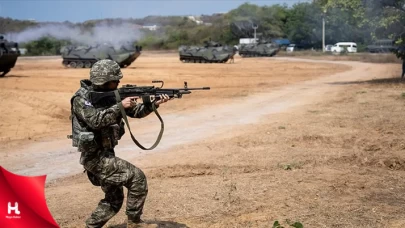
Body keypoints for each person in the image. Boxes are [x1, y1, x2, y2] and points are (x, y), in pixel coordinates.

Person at [69, 59, 171, 228]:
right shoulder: (81, 98)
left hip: (106, 154)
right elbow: (95, 120)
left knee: (114, 199)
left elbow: (136, 112)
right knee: (137, 178)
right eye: (115, 81)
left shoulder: (113, 95)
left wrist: (153, 104)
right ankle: (135, 223)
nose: (118, 83)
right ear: (103, 81)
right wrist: (120, 106)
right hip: (94, 157)